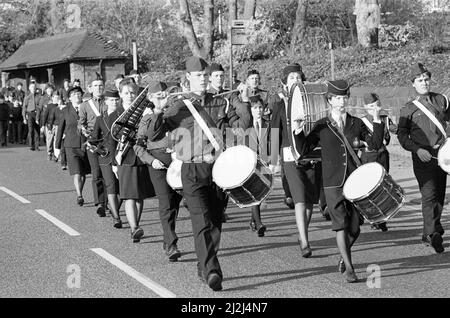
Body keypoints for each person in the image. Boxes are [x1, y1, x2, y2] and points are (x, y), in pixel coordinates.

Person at [295, 79, 385, 283]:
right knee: (340, 225)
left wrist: (377, 118)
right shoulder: (322, 125)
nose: (341, 101)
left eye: (344, 97)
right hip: (332, 182)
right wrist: (299, 131)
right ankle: (350, 267)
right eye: (337, 98)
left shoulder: (356, 123)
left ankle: (344, 258)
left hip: (355, 181)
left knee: (355, 227)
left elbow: (375, 144)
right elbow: (304, 149)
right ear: (330, 100)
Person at [155, 56, 226, 291]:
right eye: (199, 76)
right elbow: (155, 133)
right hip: (192, 169)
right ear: (188, 78)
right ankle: (211, 270)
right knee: (201, 221)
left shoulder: (219, 101)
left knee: (216, 222)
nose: (204, 79)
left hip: (217, 168)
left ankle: (203, 264)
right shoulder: (179, 105)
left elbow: (236, 123)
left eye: (206, 75)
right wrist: (157, 109)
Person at [270, 63, 322, 258]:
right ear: (284, 83)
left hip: (312, 154)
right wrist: (272, 160)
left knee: (309, 202)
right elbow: (275, 131)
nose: (296, 80)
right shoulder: (280, 104)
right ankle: (305, 242)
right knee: (299, 198)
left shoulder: (313, 101)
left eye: (298, 77)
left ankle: (303, 234)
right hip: (289, 157)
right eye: (291, 78)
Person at [397, 63, 449, 254]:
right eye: (419, 80)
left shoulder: (441, 100)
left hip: (443, 156)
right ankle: (432, 233)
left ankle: (431, 229)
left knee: (440, 196)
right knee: (429, 195)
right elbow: (402, 136)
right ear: (413, 84)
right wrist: (417, 150)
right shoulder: (408, 109)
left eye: (426, 79)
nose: (424, 82)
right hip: (423, 156)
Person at [134, 81, 183, 261]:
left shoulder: (176, 113)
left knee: (176, 202)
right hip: (157, 164)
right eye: (158, 95)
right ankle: (171, 244)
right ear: (151, 98)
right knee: (166, 202)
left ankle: (167, 238)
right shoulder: (147, 118)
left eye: (165, 94)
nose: (163, 97)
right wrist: (151, 161)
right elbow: (140, 146)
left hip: (177, 162)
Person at [205, 62, 252, 223]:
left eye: (222, 75)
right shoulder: (203, 97)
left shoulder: (228, 96)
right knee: (206, 183)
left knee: (223, 181)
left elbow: (242, 121)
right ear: (209, 78)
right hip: (203, 147)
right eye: (216, 76)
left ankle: (219, 208)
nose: (219, 78)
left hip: (223, 145)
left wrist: (244, 100)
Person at [114, 78, 155, 242]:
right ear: (120, 94)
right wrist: (113, 163)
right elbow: (110, 140)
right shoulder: (115, 114)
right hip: (123, 158)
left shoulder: (144, 111)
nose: (130, 95)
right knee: (129, 196)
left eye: (132, 92)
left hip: (140, 156)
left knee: (139, 195)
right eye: (126, 93)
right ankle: (133, 228)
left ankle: (136, 225)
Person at [361, 92, 398, 232]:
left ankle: (382, 217)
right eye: (371, 106)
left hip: (383, 156)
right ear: (365, 107)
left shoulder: (386, 120)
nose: (375, 108)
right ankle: (373, 216)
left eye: (377, 105)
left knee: (383, 187)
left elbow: (397, 130)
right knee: (370, 188)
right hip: (369, 158)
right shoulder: (361, 122)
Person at [90, 90, 123, 229]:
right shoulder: (100, 119)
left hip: (122, 154)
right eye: (111, 100)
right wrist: (98, 148)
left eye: (116, 100)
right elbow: (93, 139)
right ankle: (116, 218)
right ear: (105, 102)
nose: (114, 102)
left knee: (122, 188)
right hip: (106, 156)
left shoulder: (124, 116)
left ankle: (113, 206)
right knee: (111, 185)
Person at [54, 86, 90, 206]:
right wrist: (57, 146)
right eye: (74, 94)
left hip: (85, 144)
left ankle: (80, 191)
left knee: (84, 173)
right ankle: (79, 195)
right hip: (71, 145)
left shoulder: (88, 107)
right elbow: (60, 128)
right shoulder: (65, 110)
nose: (77, 96)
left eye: (79, 93)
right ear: (69, 98)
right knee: (77, 172)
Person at [78, 72, 107, 217]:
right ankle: (100, 203)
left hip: (108, 141)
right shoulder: (85, 105)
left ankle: (110, 200)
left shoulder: (111, 102)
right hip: (93, 142)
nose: (99, 88)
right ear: (90, 88)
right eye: (96, 86)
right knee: (96, 173)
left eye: (101, 85)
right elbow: (80, 123)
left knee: (109, 173)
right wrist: (84, 131)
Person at [246, 95, 270, 237]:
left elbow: (272, 143)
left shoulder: (268, 124)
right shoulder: (246, 125)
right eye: (255, 108)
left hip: (264, 163)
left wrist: (272, 162)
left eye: (260, 107)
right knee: (256, 194)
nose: (258, 110)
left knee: (260, 194)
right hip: (249, 164)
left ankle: (253, 220)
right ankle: (259, 223)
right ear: (250, 109)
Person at [49, 93, 68, 170]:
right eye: (59, 102)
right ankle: (57, 156)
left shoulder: (67, 110)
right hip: (57, 127)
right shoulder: (55, 109)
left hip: (66, 129)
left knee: (64, 146)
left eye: (61, 102)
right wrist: (50, 127)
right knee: (58, 142)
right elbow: (51, 118)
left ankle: (64, 161)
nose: (60, 103)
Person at [22, 81, 41, 151]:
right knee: (31, 130)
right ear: (29, 88)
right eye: (32, 87)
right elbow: (24, 107)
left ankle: (37, 145)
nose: (33, 88)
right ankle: (31, 145)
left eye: (34, 87)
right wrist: (24, 117)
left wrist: (38, 116)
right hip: (30, 114)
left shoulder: (38, 96)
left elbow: (40, 105)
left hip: (37, 114)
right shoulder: (27, 97)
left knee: (37, 130)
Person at [40, 84, 57, 161]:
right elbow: (43, 113)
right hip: (49, 123)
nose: (50, 91)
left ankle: (55, 154)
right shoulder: (44, 99)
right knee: (49, 140)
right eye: (48, 89)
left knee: (56, 139)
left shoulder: (58, 103)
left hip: (56, 124)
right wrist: (43, 125)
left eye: (51, 89)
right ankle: (49, 153)